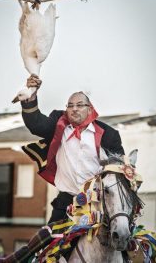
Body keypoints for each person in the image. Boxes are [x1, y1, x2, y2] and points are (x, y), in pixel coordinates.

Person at [21, 74, 125, 224]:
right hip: (65, 203)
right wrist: (30, 94)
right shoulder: (59, 124)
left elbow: (119, 173)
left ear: (90, 109)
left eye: (80, 105)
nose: (74, 109)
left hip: (99, 204)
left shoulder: (109, 135)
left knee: (122, 241)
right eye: (70, 105)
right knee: (44, 245)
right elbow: (36, 124)